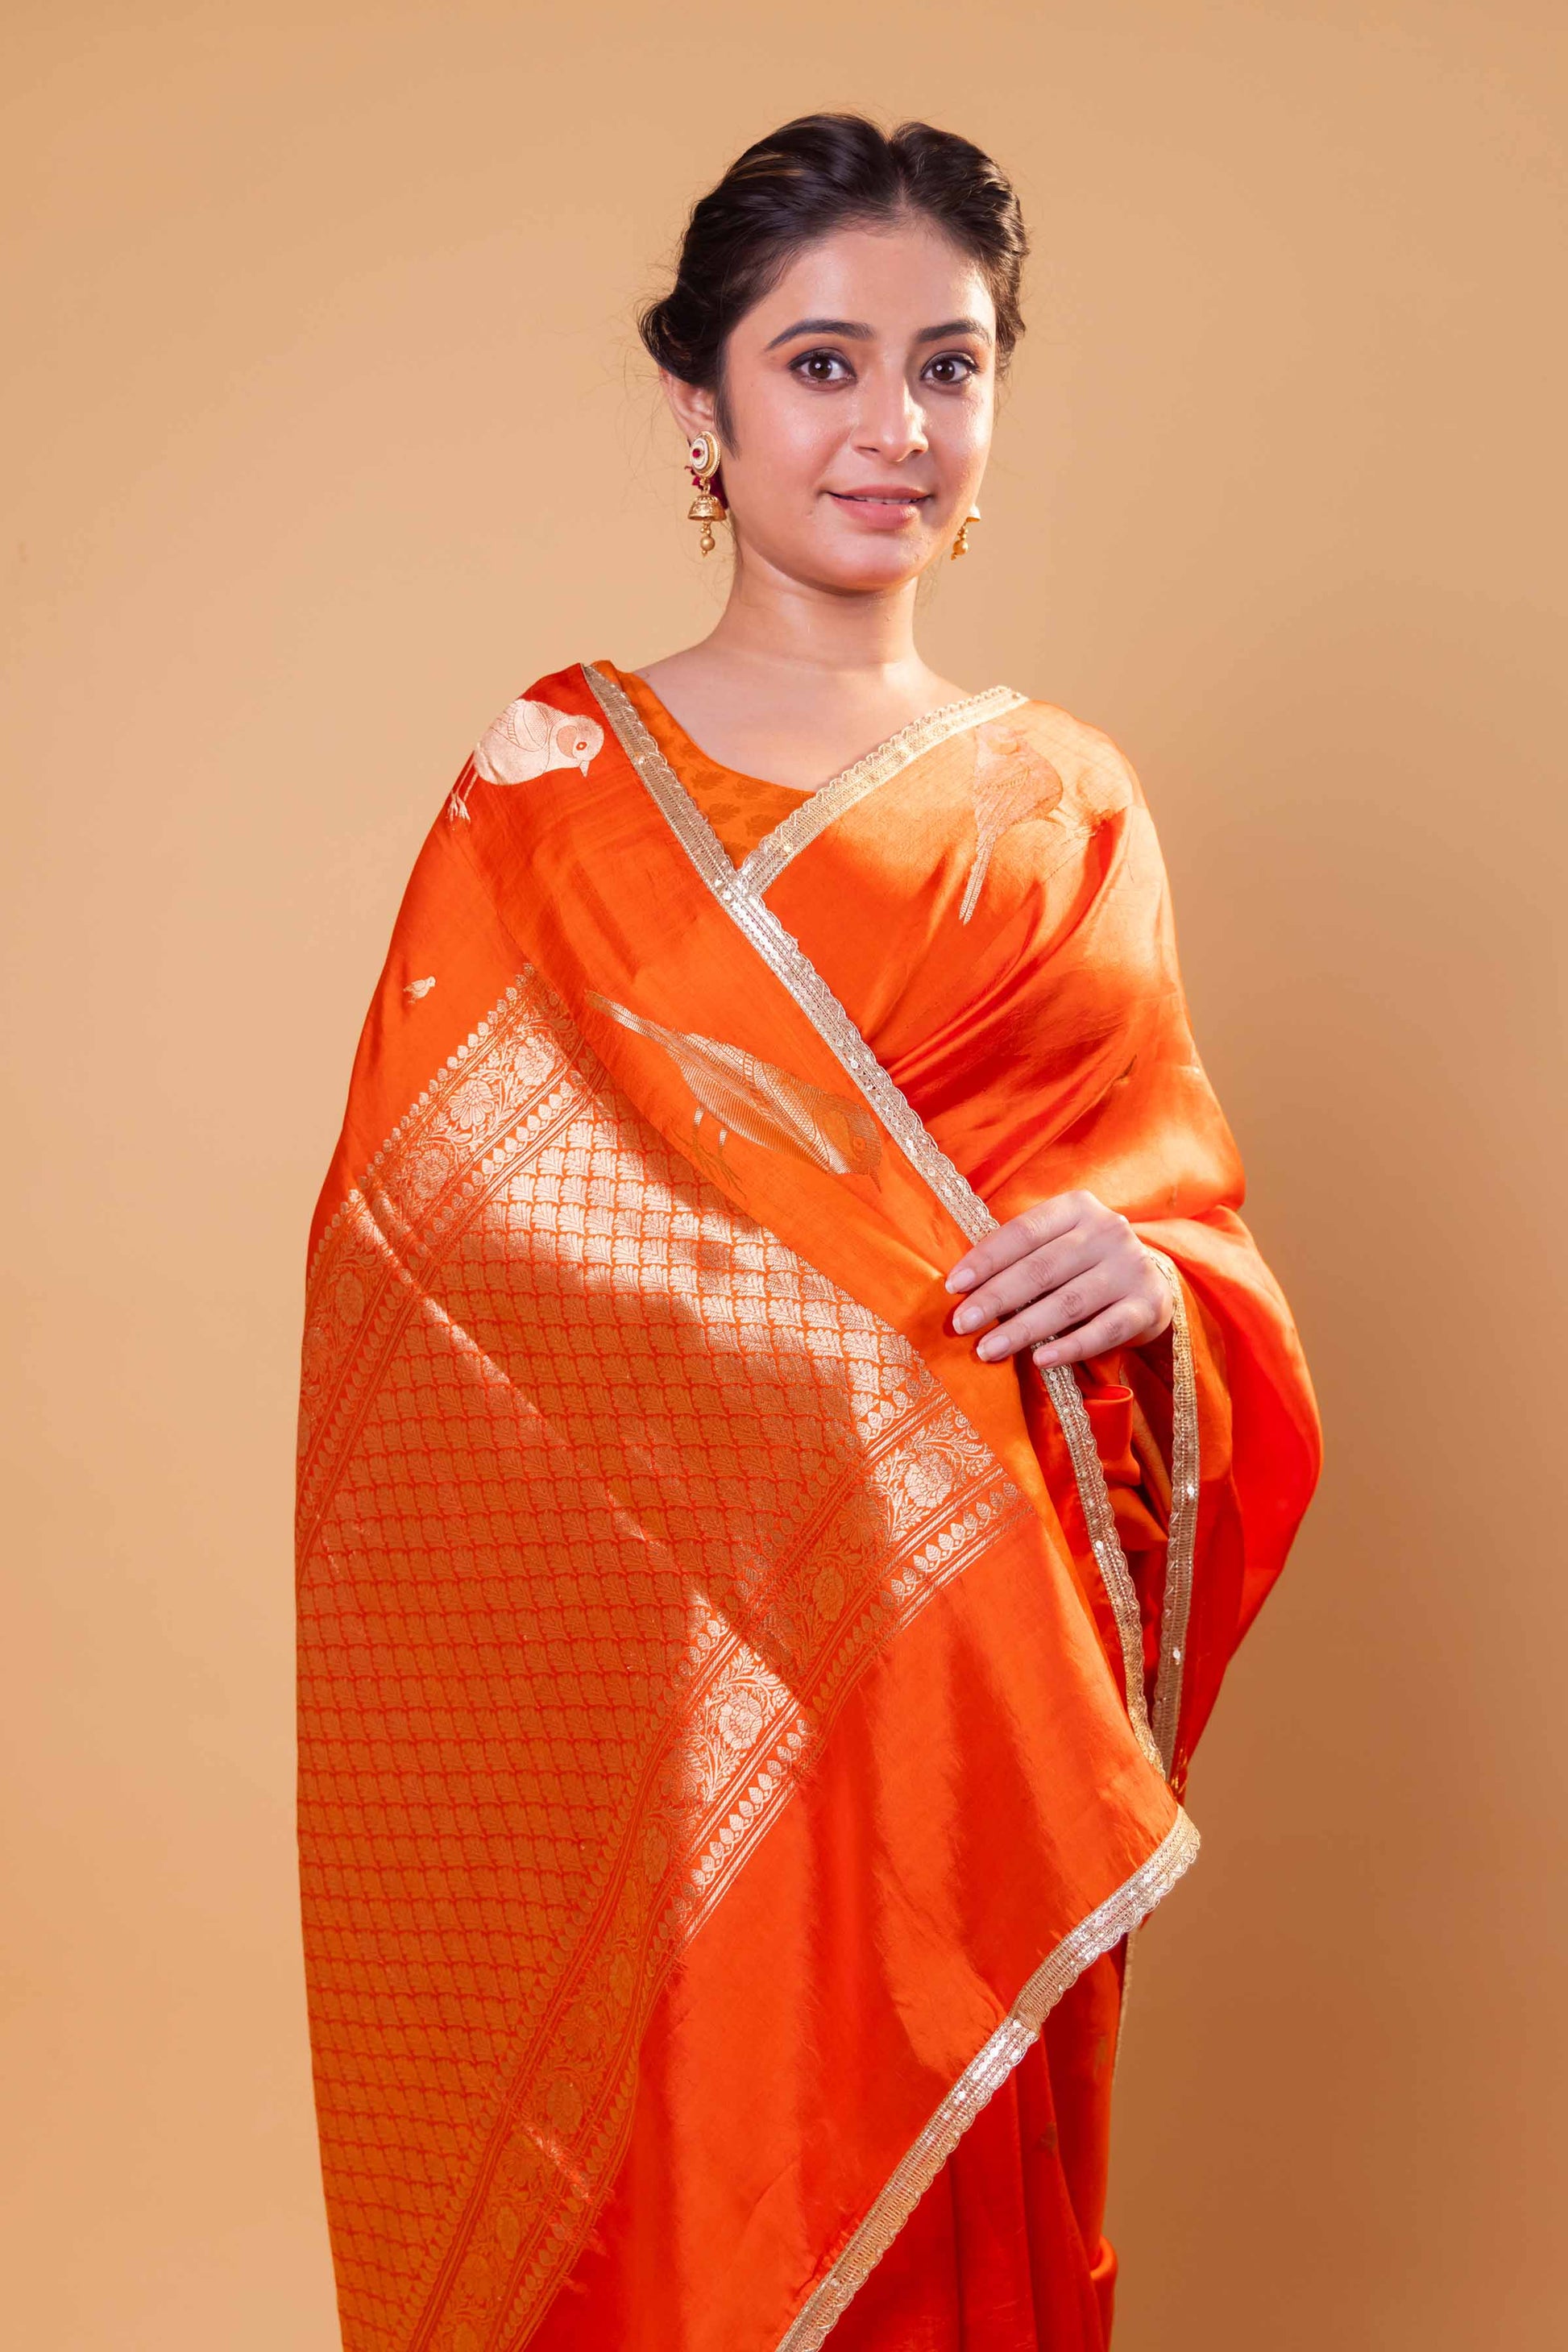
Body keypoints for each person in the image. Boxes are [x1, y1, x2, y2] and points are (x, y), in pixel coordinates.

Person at [295, 113, 1319, 2352]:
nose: (893, 429)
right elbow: (428, 1241)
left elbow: (1174, 1222)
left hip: (958, 1696)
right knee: (683, 2214)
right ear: (705, 402)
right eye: (823, 363)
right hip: (672, 1697)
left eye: (949, 367)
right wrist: (839, 1380)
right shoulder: (557, 780)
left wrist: (1156, 1285)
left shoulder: (1062, 803)